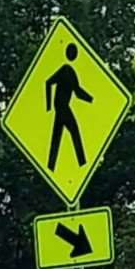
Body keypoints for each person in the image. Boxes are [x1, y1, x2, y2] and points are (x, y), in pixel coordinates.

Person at [45, 42, 93, 172]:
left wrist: (92, 99)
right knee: (74, 133)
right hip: (62, 108)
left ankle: (51, 166)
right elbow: (48, 82)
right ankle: (82, 163)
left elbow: (77, 92)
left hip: (61, 108)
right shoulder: (65, 69)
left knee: (56, 138)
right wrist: (48, 106)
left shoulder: (71, 72)